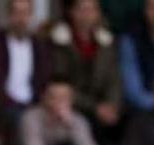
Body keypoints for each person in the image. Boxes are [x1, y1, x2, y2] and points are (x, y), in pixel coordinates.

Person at [47, 0, 122, 132]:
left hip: (103, 107)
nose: (87, 15)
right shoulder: (59, 42)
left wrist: (112, 105)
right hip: (73, 105)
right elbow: (61, 82)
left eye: (91, 10)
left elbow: (114, 79)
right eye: (82, 10)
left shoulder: (107, 43)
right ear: (72, 12)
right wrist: (95, 108)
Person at [0, 0, 51, 113]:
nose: (21, 19)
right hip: (4, 106)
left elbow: (43, 79)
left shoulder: (39, 46)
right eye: (16, 13)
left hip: (34, 106)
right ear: (8, 15)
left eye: (25, 13)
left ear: (31, 16)